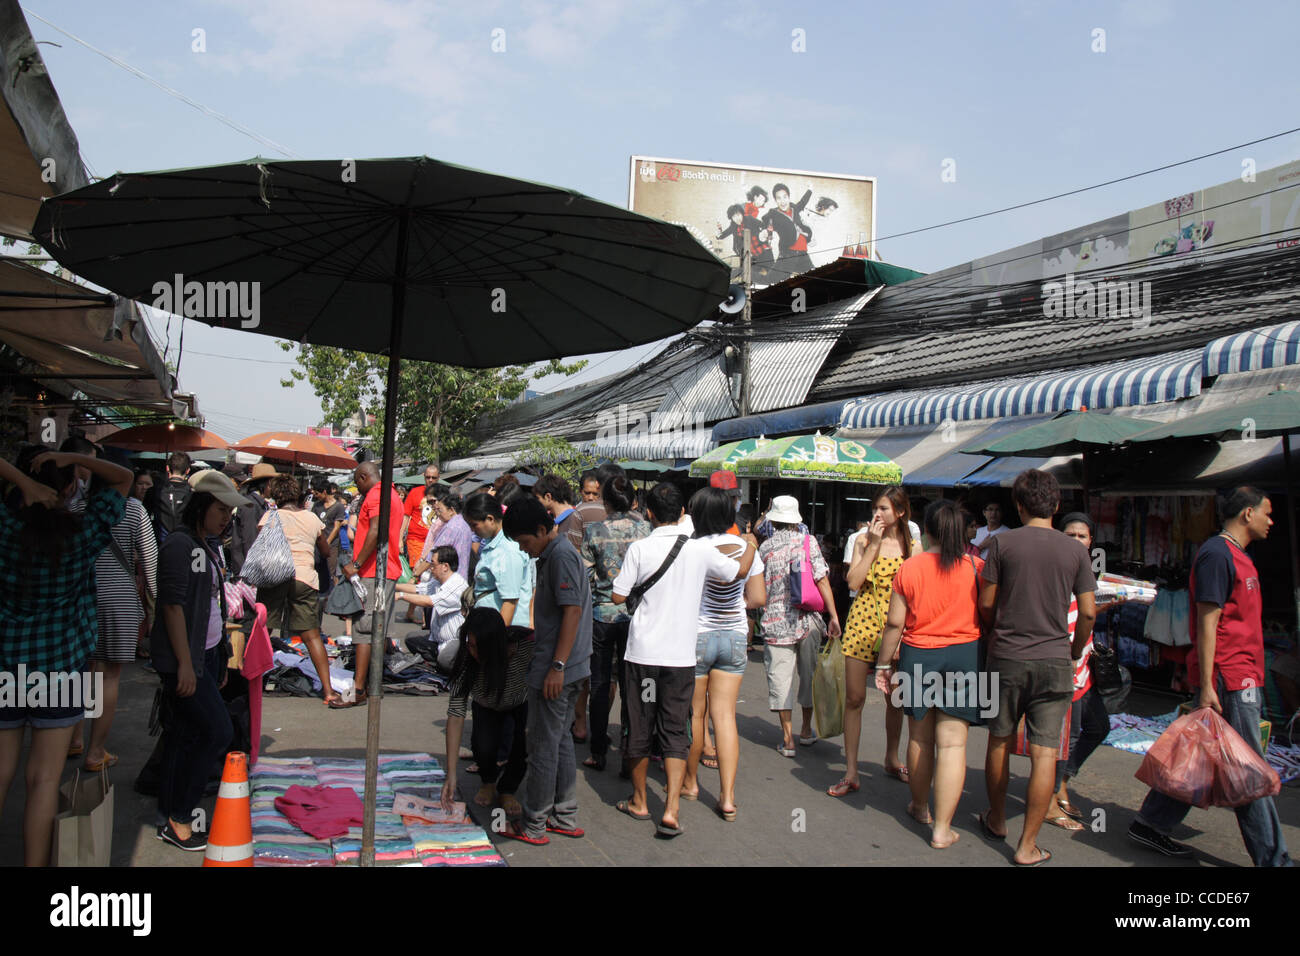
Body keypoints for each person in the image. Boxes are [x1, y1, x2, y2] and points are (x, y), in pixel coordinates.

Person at [1128, 487, 1292, 866]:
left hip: (1242, 674)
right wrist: (1205, 686)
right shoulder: (1217, 554)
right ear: (1247, 513)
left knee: (1205, 754)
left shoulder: (1239, 556)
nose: (1272, 521)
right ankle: (1275, 859)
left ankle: (1151, 822)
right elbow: (1207, 620)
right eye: (1268, 513)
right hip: (1227, 678)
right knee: (1246, 770)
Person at [0, 449, 131, 865]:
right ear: (72, 486)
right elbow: (123, 479)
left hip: (6, 663)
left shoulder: (4, 529)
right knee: (43, 781)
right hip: (61, 669)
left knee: (0, 773)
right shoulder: (83, 533)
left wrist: (23, 482)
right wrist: (71, 454)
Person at [611, 482, 754, 837]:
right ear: (681, 514)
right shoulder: (698, 551)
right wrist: (750, 547)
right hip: (680, 659)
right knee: (676, 727)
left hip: (644, 658)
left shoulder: (640, 549)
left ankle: (641, 801)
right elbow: (736, 573)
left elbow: (617, 596)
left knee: (640, 724)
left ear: (648, 512)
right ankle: (672, 808)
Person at [978, 469, 1096, 867]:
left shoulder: (1000, 544)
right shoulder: (1076, 551)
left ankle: (996, 819)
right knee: (1046, 753)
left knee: (999, 740)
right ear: (1057, 505)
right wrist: (1075, 649)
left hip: (1006, 656)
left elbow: (986, 604)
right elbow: (1090, 612)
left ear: (1019, 505)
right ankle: (1027, 845)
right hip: (1055, 659)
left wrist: (998, 631)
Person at [874, 500, 984, 849]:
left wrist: (882, 664)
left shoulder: (910, 568)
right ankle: (942, 829)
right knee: (953, 743)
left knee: (919, 737)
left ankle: (920, 807)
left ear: (930, 530)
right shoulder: (977, 567)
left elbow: (895, 622)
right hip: (967, 655)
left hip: (917, 655)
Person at [152, 470, 248, 850]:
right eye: (221, 509)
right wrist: (187, 664)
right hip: (187, 660)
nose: (226, 518)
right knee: (217, 732)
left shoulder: (203, 544)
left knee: (186, 736)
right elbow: (172, 607)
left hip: (203, 656)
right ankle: (179, 817)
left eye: (229, 512)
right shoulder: (181, 545)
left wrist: (217, 655)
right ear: (202, 506)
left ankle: (169, 815)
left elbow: (209, 605)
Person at [499, 495, 593, 845]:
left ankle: (535, 821)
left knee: (542, 746)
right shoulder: (555, 555)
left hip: (559, 668)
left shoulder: (560, 556)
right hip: (567, 664)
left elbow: (572, 612)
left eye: (525, 543)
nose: (525, 551)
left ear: (542, 530)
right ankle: (564, 816)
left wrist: (557, 665)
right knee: (559, 741)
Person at [681, 487, 766, 822]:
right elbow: (757, 598)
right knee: (726, 716)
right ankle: (728, 797)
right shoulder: (747, 548)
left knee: (696, 715)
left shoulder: (694, 548)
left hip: (698, 637)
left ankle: (690, 783)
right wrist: (733, 607)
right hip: (733, 637)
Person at [72, 455, 159, 772]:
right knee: (108, 676)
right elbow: (150, 560)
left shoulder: (79, 508)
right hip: (119, 599)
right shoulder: (134, 509)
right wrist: (158, 602)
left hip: (81, 597)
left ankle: (73, 737)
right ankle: (96, 751)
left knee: (82, 669)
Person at [833, 487, 919, 794]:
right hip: (862, 623)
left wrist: (904, 634)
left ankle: (892, 757)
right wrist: (874, 545)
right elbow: (853, 583)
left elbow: (917, 595)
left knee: (894, 698)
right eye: (875, 508)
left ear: (900, 512)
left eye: (883, 509)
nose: (877, 515)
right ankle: (852, 769)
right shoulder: (862, 539)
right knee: (855, 698)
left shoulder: (913, 547)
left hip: (897, 629)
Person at [1045, 512, 1114, 832]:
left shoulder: (1089, 571)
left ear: (1091, 542)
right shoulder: (1054, 570)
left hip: (1083, 664)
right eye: (1069, 535)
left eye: (1082, 537)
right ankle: (1053, 792)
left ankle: (1062, 778)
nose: (1076, 541)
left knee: (1098, 726)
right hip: (1063, 663)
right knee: (1065, 737)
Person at [578, 474, 650, 772]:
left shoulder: (595, 531)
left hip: (602, 616)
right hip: (636, 616)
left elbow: (585, 575)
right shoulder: (645, 530)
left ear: (606, 502)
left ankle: (597, 751)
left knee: (600, 682)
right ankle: (629, 751)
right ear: (632, 501)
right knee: (633, 686)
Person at [759, 495, 839, 758]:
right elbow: (822, 579)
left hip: (775, 622)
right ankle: (805, 730)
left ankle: (787, 738)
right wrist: (834, 616)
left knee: (781, 679)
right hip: (807, 621)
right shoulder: (809, 543)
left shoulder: (765, 549)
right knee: (808, 676)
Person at [441, 609, 532, 818]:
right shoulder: (466, 660)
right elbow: (455, 715)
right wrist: (451, 773)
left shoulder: (523, 649)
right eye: (470, 645)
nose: (474, 652)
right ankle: (489, 782)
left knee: (521, 748)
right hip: (485, 705)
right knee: (483, 747)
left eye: (479, 647)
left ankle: (508, 790)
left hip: (520, 704)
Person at [258, 476, 339, 706]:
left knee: (263, 628)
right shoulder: (311, 518)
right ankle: (328, 691)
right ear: (299, 494)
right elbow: (324, 550)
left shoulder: (269, 517)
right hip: (304, 578)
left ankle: (252, 680)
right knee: (312, 634)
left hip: (274, 576)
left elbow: (260, 545)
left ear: (275, 495)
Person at [340, 462, 405, 704]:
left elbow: (376, 531)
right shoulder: (391, 493)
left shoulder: (377, 495)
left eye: (358, 482)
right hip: (382, 570)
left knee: (365, 629)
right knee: (374, 629)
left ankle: (359, 689)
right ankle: (369, 683)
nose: (358, 488)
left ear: (364, 476)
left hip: (373, 571)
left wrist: (356, 565)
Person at [463, 492, 532, 626]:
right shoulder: (493, 543)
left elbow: (510, 602)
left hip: (505, 632)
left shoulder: (507, 550)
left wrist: (497, 641)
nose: (472, 530)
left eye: (474, 525)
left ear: (490, 519)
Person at [398, 545, 468, 671]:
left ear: (445, 566)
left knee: (445, 660)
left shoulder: (457, 585)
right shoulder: (438, 581)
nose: (430, 569)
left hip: (454, 641)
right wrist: (395, 587)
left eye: (433, 565)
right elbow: (418, 589)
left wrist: (401, 596)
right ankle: (437, 662)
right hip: (437, 640)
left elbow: (429, 601)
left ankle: (448, 666)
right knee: (411, 639)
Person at [400, 465, 441, 624]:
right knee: (420, 574)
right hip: (415, 540)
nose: (430, 480)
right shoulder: (415, 493)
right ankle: (425, 616)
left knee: (429, 576)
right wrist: (399, 539)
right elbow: (406, 516)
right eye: (428, 477)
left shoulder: (441, 494)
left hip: (434, 540)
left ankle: (411, 612)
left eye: (434, 478)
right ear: (424, 476)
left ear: (438, 478)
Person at [414, 491, 473, 584]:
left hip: (450, 580)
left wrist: (416, 575)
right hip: (461, 577)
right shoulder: (463, 524)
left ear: (451, 510)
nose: (437, 514)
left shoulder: (452, 527)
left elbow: (435, 553)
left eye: (440, 510)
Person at [761, 182, 815, 279]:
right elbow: (766, 222)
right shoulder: (773, 214)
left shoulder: (794, 207)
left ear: (789, 197)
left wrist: (810, 190)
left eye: (785, 197)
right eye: (779, 198)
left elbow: (803, 202)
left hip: (803, 253)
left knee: (815, 279)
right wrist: (764, 232)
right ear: (775, 200)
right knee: (773, 281)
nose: (782, 201)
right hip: (788, 254)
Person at [533, 474, 584, 550]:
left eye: (537, 498)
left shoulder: (575, 521)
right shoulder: (551, 521)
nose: (536, 502)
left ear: (548, 497)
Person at [154, 451, 193, 538]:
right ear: (188, 470)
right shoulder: (192, 494)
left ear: (167, 468)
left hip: (159, 541)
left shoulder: (156, 490)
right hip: (184, 540)